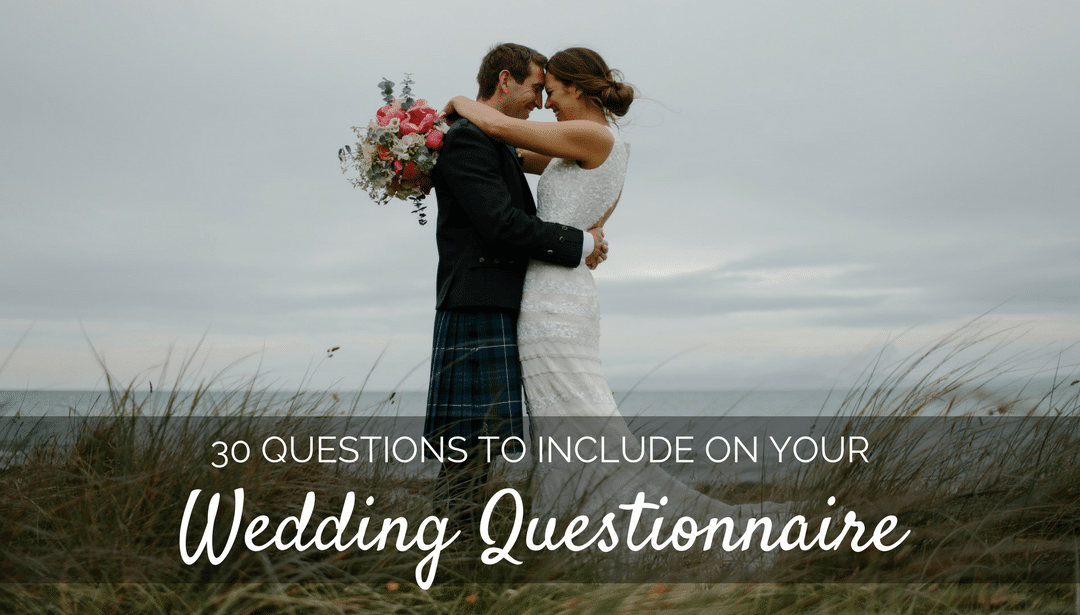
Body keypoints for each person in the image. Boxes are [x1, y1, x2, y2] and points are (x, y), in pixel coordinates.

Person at [443, 48, 787, 532]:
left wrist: (458, 100)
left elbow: (500, 130)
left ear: (578, 90)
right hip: (555, 290)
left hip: (555, 301)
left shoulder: (591, 135)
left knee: (577, 414)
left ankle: (593, 524)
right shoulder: (577, 145)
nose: (546, 103)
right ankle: (579, 521)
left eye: (554, 92)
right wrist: (428, 148)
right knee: (568, 414)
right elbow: (510, 155)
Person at [424, 43, 608, 531]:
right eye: (533, 88)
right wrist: (581, 242)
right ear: (504, 80)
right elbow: (502, 225)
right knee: (467, 450)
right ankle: (449, 554)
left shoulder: (491, 140)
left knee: (479, 449)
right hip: (476, 305)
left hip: (497, 302)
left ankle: (459, 550)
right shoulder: (468, 140)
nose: (539, 101)